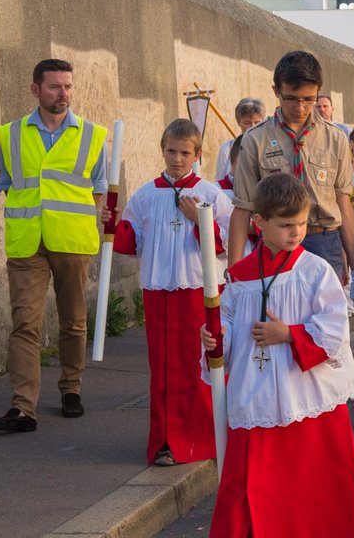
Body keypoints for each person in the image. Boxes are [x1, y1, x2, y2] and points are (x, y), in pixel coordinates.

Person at [201, 173, 354, 537]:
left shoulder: (315, 271)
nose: (296, 233)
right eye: (285, 225)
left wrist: (289, 335)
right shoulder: (240, 277)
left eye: (301, 223)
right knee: (251, 485)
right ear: (259, 222)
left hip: (306, 392)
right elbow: (227, 326)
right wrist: (216, 338)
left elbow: (334, 329)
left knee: (318, 484)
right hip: (256, 393)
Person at [0, 59, 108, 433]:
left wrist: (94, 217)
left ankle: (71, 388)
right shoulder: (9, 134)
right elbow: (8, 184)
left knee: (73, 321)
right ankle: (23, 407)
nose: (64, 93)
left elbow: (99, 189)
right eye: (55, 86)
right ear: (35, 89)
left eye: (68, 86)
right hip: (27, 241)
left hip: (72, 239)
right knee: (25, 323)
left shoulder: (93, 135)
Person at [113, 118, 233, 465]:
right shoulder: (146, 194)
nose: (177, 159)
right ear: (162, 150)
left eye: (185, 153)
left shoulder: (211, 194)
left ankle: (203, 437)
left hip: (198, 290)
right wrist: (111, 223)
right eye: (171, 151)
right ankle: (166, 440)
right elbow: (132, 240)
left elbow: (228, 241)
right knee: (163, 366)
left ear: (198, 154)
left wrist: (200, 219)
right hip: (158, 292)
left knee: (197, 363)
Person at [229, 51, 354, 290]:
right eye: (291, 98)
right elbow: (242, 208)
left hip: (323, 242)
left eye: (309, 99)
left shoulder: (336, 138)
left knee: (325, 312)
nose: (300, 107)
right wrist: (234, 275)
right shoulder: (255, 139)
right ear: (276, 91)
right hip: (274, 244)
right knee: (274, 310)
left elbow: (343, 203)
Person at [214, 98, 266, 180]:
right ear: (239, 122)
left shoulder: (269, 147)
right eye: (247, 123)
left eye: (257, 123)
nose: (252, 127)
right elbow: (220, 182)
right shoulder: (227, 149)